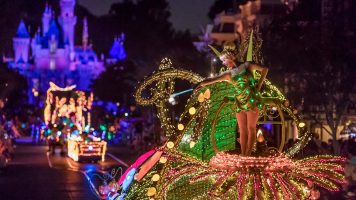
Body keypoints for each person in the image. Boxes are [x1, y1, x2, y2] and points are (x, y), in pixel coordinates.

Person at [196, 42, 268, 156]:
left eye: (224, 60)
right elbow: (213, 80)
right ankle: (244, 155)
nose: (223, 63)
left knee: (251, 128)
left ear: (230, 57)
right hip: (239, 102)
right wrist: (201, 84)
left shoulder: (247, 66)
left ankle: (247, 154)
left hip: (251, 100)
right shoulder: (228, 74)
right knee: (242, 130)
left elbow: (264, 69)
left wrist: (258, 86)